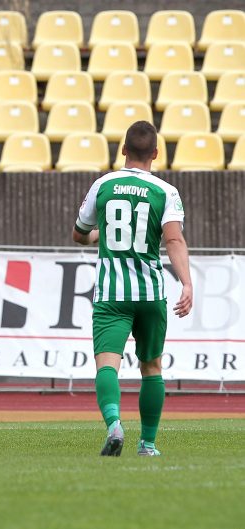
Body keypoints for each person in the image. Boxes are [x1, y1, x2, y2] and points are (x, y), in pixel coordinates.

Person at [73, 120, 192, 457]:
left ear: (123, 150)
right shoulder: (166, 192)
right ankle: (148, 444)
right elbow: (173, 239)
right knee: (151, 366)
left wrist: (96, 235)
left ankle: (114, 423)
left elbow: (80, 232)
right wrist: (186, 282)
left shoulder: (103, 185)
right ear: (155, 154)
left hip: (112, 293)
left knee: (107, 365)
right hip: (151, 293)